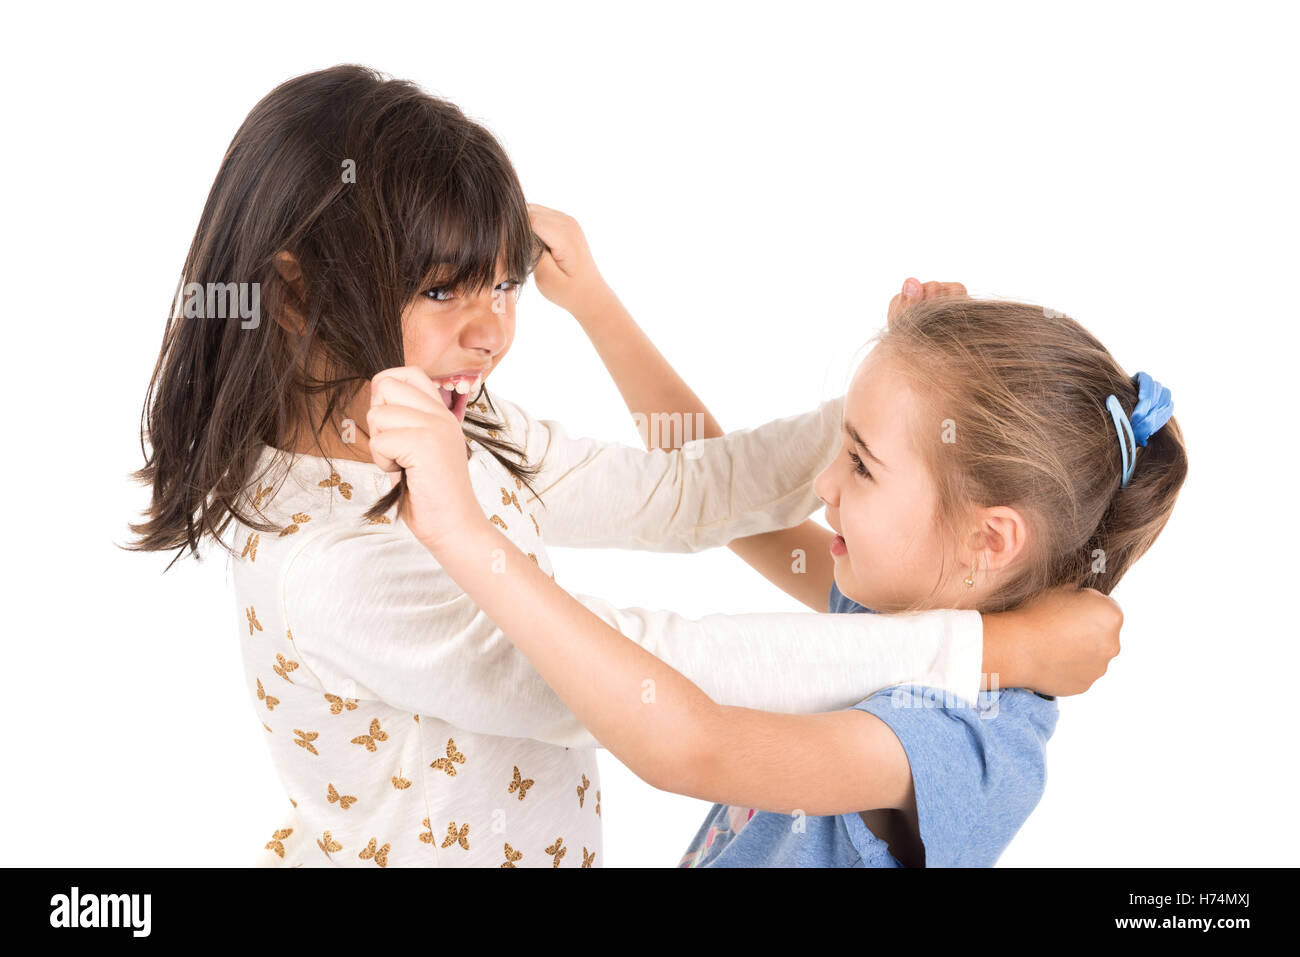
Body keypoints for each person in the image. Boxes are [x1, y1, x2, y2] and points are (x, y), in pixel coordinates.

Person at [128, 65, 1120, 867]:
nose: (494, 333)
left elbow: (682, 495)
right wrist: (987, 643)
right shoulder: (333, 566)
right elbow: (658, 688)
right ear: (294, 298)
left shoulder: (454, 426)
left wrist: (900, 398)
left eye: (502, 286)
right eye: (445, 293)